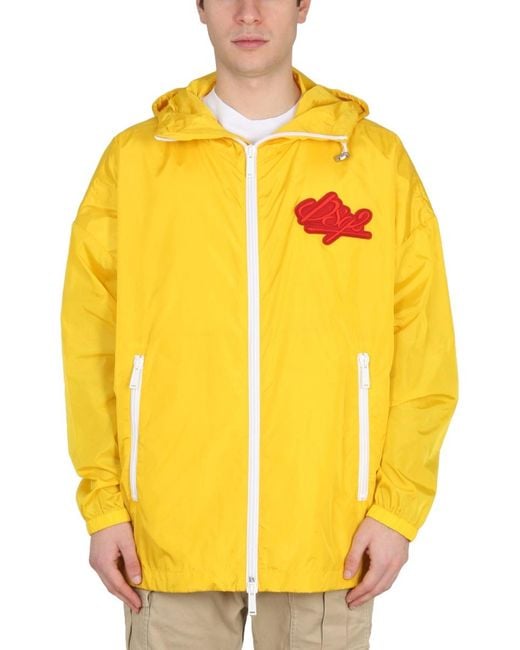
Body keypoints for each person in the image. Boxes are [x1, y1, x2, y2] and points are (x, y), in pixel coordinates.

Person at [60, 0, 459, 647]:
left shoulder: (375, 160)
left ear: (303, 5)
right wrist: (104, 506)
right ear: (200, 6)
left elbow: (424, 344)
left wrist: (397, 509)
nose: (248, 12)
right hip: (169, 532)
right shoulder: (133, 162)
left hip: (330, 536)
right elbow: (90, 345)